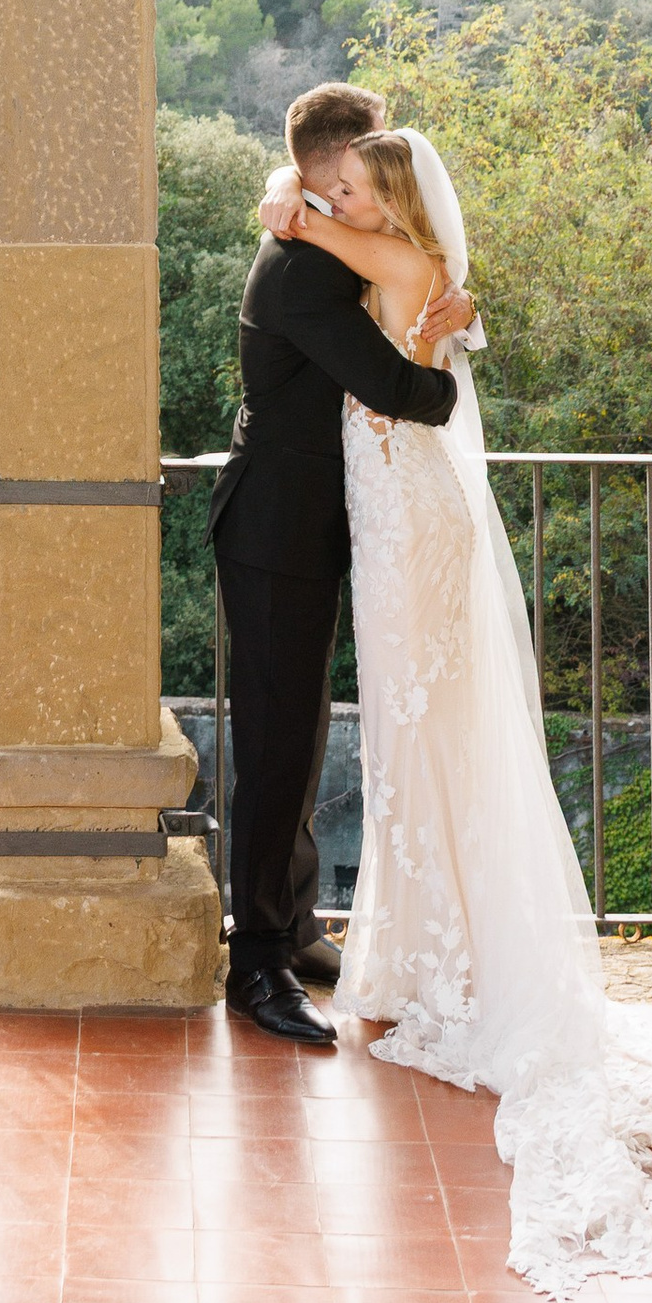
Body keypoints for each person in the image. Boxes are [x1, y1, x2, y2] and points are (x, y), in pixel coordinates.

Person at [262, 124, 652, 1297]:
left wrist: (290, 192)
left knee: (419, 729)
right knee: (415, 733)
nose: (338, 201)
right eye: (338, 189)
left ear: (391, 199)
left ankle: (433, 963)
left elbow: (293, 219)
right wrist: (300, 191)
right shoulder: (410, 262)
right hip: (393, 510)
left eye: (356, 189)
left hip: (406, 516)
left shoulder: (395, 258)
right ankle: (427, 949)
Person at [207, 80, 464, 1052]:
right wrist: (440, 355)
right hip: (274, 531)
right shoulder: (303, 269)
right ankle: (255, 963)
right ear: (337, 166)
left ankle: (295, 924)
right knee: (275, 743)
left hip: (316, 525)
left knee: (303, 730)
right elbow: (402, 390)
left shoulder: (323, 237)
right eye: (369, 159)